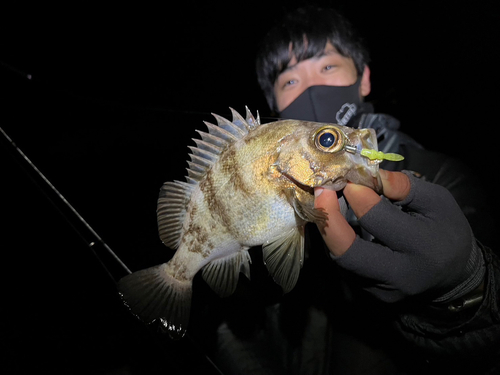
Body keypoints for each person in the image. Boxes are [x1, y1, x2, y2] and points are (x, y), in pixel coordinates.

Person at [212, 6, 499, 374]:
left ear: (363, 79)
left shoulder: (444, 174)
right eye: (290, 81)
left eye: (327, 67)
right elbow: (242, 327)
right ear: (275, 107)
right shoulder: (264, 178)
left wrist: (467, 288)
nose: (311, 89)